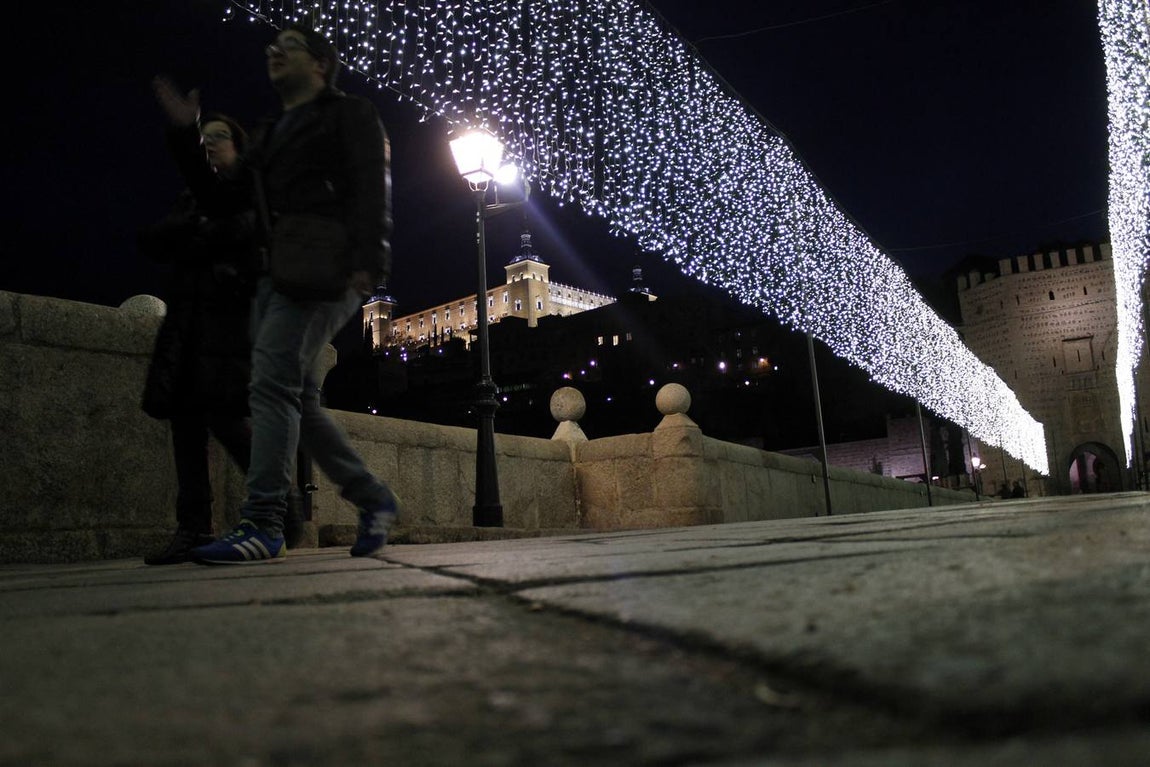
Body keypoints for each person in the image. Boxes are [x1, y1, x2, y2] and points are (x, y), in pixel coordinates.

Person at [191, 24, 399, 564]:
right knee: (298, 398)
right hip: (278, 272)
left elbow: (371, 187)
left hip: (326, 266)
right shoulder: (272, 128)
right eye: (270, 47)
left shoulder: (349, 113)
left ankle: (262, 522)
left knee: (271, 385)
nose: (274, 52)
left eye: (289, 47)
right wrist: (188, 138)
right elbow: (234, 193)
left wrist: (368, 265)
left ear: (321, 64)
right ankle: (372, 497)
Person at [139, 80, 257, 565]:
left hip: (229, 326)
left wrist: (201, 236)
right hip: (188, 325)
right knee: (185, 423)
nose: (209, 144)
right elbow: (153, 240)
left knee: (228, 421)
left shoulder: (248, 191)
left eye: (218, 138)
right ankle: (192, 527)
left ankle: (278, 507)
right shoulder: (192, 200)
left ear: (238, 148)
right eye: (202, 138)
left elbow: (238, 238)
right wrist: (198, 233)